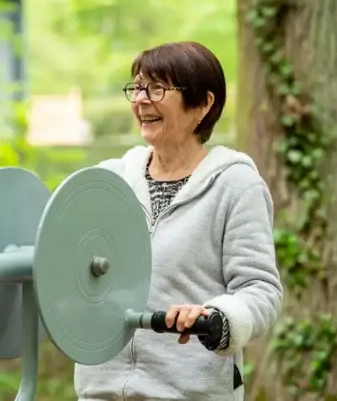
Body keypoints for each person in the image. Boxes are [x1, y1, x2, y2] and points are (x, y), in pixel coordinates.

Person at [73, 41, 284, 400]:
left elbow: (261, 290)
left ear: (203, 104)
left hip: (189, 392)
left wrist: (218, 316)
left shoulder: (235, 185)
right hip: (100, 391)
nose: (141, 99)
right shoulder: (111, 182)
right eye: (137, 87)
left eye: (157, 88)